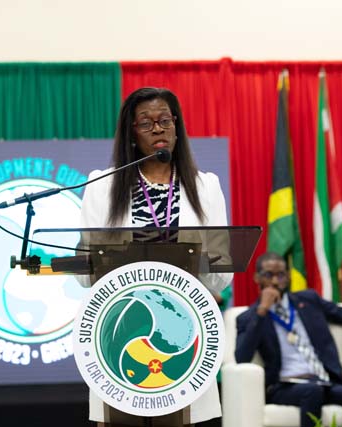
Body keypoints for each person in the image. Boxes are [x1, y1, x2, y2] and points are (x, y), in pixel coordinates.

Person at [79, 87, 232, 426]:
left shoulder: (205, 186)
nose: (158, 128)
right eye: (146, 123)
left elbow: (223, 275)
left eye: (165, 120)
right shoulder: (102, 186)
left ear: (176, 125)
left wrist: (190, 262)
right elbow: (85, 272)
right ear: (132, 133)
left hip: (184, 332)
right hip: (120, 333)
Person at [235, 252, 342, 427]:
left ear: (288, 276)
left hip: (324, 382)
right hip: (284, 387)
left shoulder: (308, 300)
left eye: (281, 275)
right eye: (268, 275)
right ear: (257, 278)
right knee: (312, 392)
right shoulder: (249, 317)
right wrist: (262, 310)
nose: (275, 281)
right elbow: (241, 357)